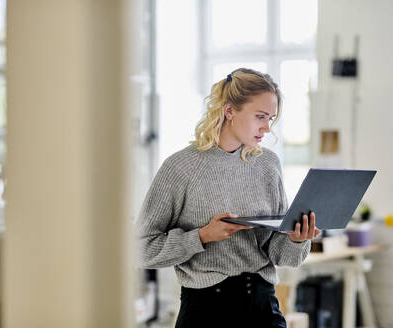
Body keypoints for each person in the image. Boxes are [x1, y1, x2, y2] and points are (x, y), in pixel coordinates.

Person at [135, 68, 320, 328]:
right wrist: (201, 237)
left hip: (263, 306)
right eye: (260, 116)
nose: (267, 127)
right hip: (206, 311)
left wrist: (297, 240)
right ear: (229, 110)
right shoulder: (181, 167)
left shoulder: (268, 164)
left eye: (271, 118)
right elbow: (141, 250)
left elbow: (281, 256)